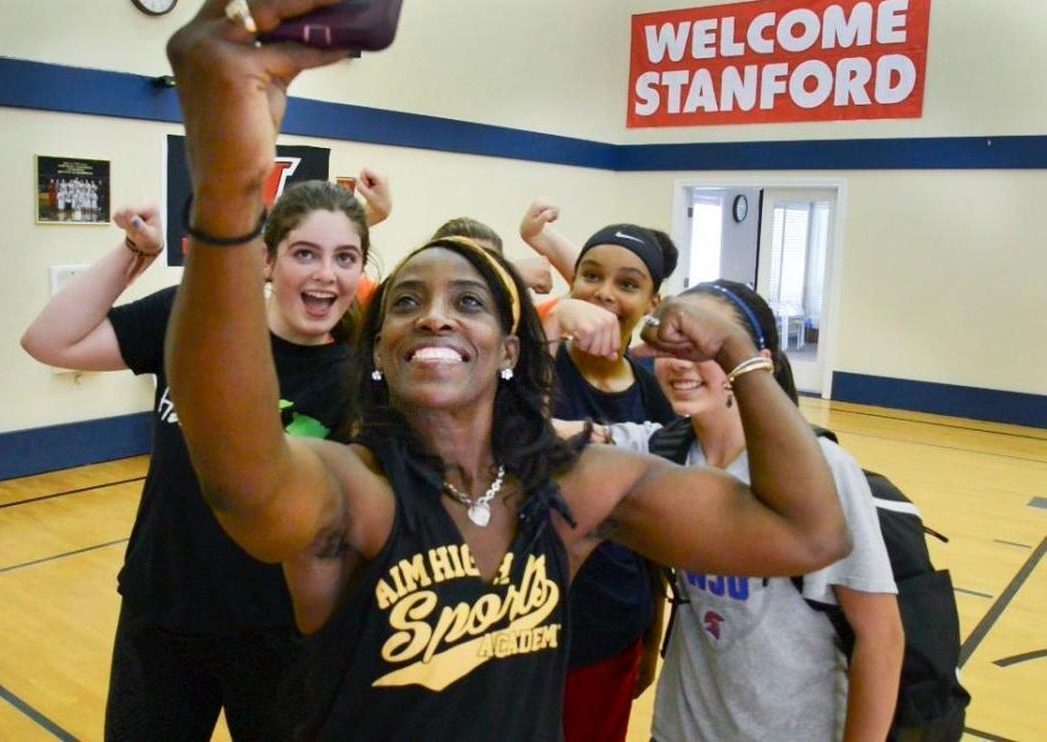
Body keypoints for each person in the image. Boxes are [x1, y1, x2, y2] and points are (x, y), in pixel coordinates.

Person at [163, 2, 849, 739]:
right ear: (378, 352)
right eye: (407, 303)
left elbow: (805, 535)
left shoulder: (576, 486)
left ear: (513, 349)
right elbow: (236, 467)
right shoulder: (355, 494)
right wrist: (230, 190)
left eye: (469, 302)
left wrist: (740, 357)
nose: (435, 317)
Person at [19, 177, 373, 740]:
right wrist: (135, 254)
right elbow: (49, 341)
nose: (325, 274)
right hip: (163, 617)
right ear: (266, 260)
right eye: (305, 253)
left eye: (344, 257)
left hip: (283, 639)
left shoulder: (364, 379)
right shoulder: (197, 318)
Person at [608, 280, 904, 741]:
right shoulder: (658, 451)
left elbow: (881, 638)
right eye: (672, 344)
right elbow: (533, 438)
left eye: (705, 346)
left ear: (753, 364)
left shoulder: (823, 472)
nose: (682, 362)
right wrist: (552, 323)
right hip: (681, 729)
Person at [528, 215, 680, 741]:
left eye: (628, 284)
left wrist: (651, 629)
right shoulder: (534, 362)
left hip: (611, 625)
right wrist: (548, 321)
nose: (605, 293)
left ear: (652, 303)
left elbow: (658, 528)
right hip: (517, 621)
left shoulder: (656, 395)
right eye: (590, 275)